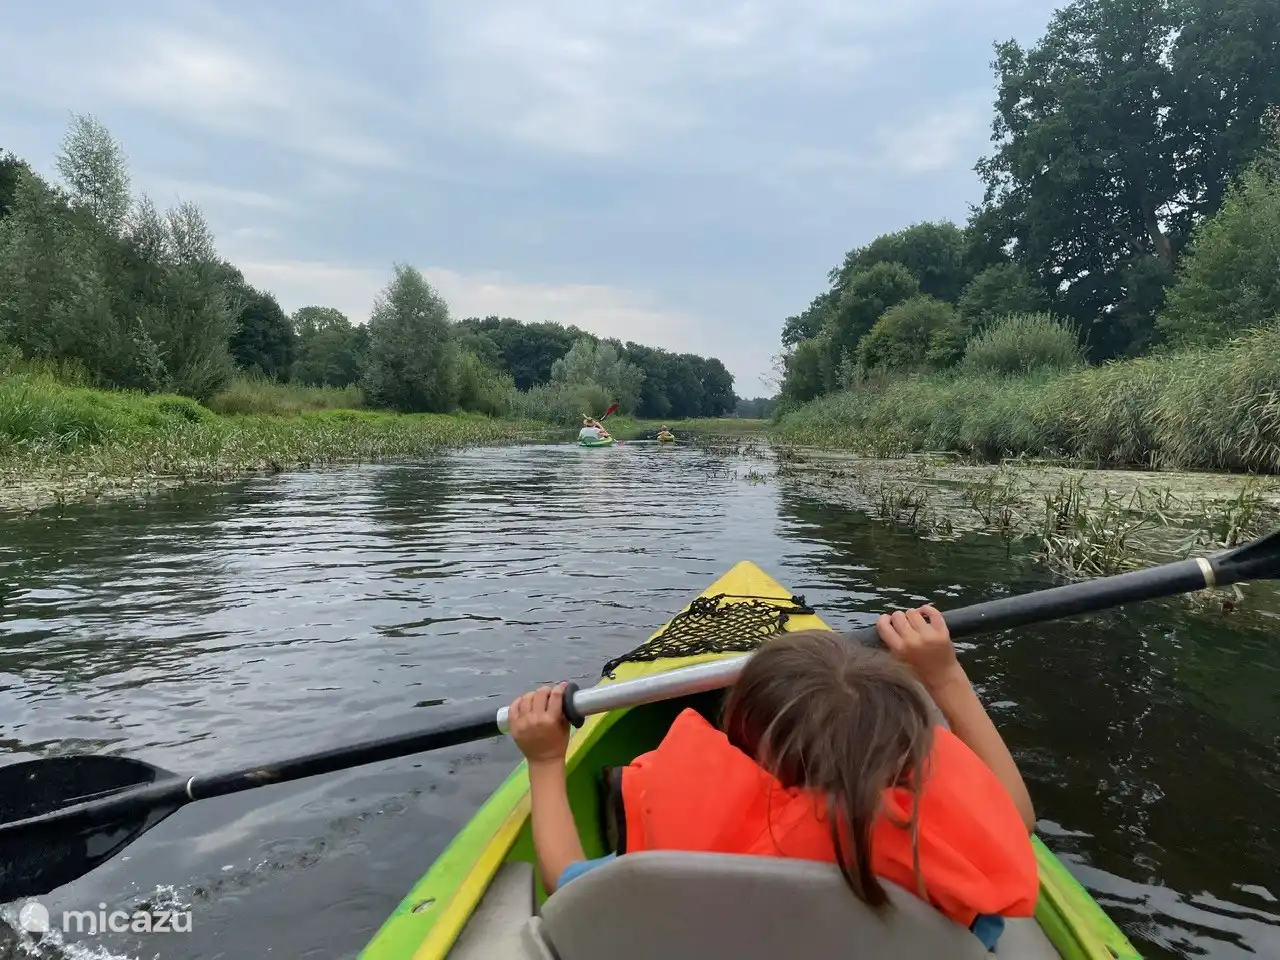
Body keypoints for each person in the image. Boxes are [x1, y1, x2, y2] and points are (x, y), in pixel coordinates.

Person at [507, 605, 1038, 950]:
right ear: (908, 749)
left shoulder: (709, 858)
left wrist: (547, 762)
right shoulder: (932, 844)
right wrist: (946, 675)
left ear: (747, 753)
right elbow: (1017, 818)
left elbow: (567, 878)